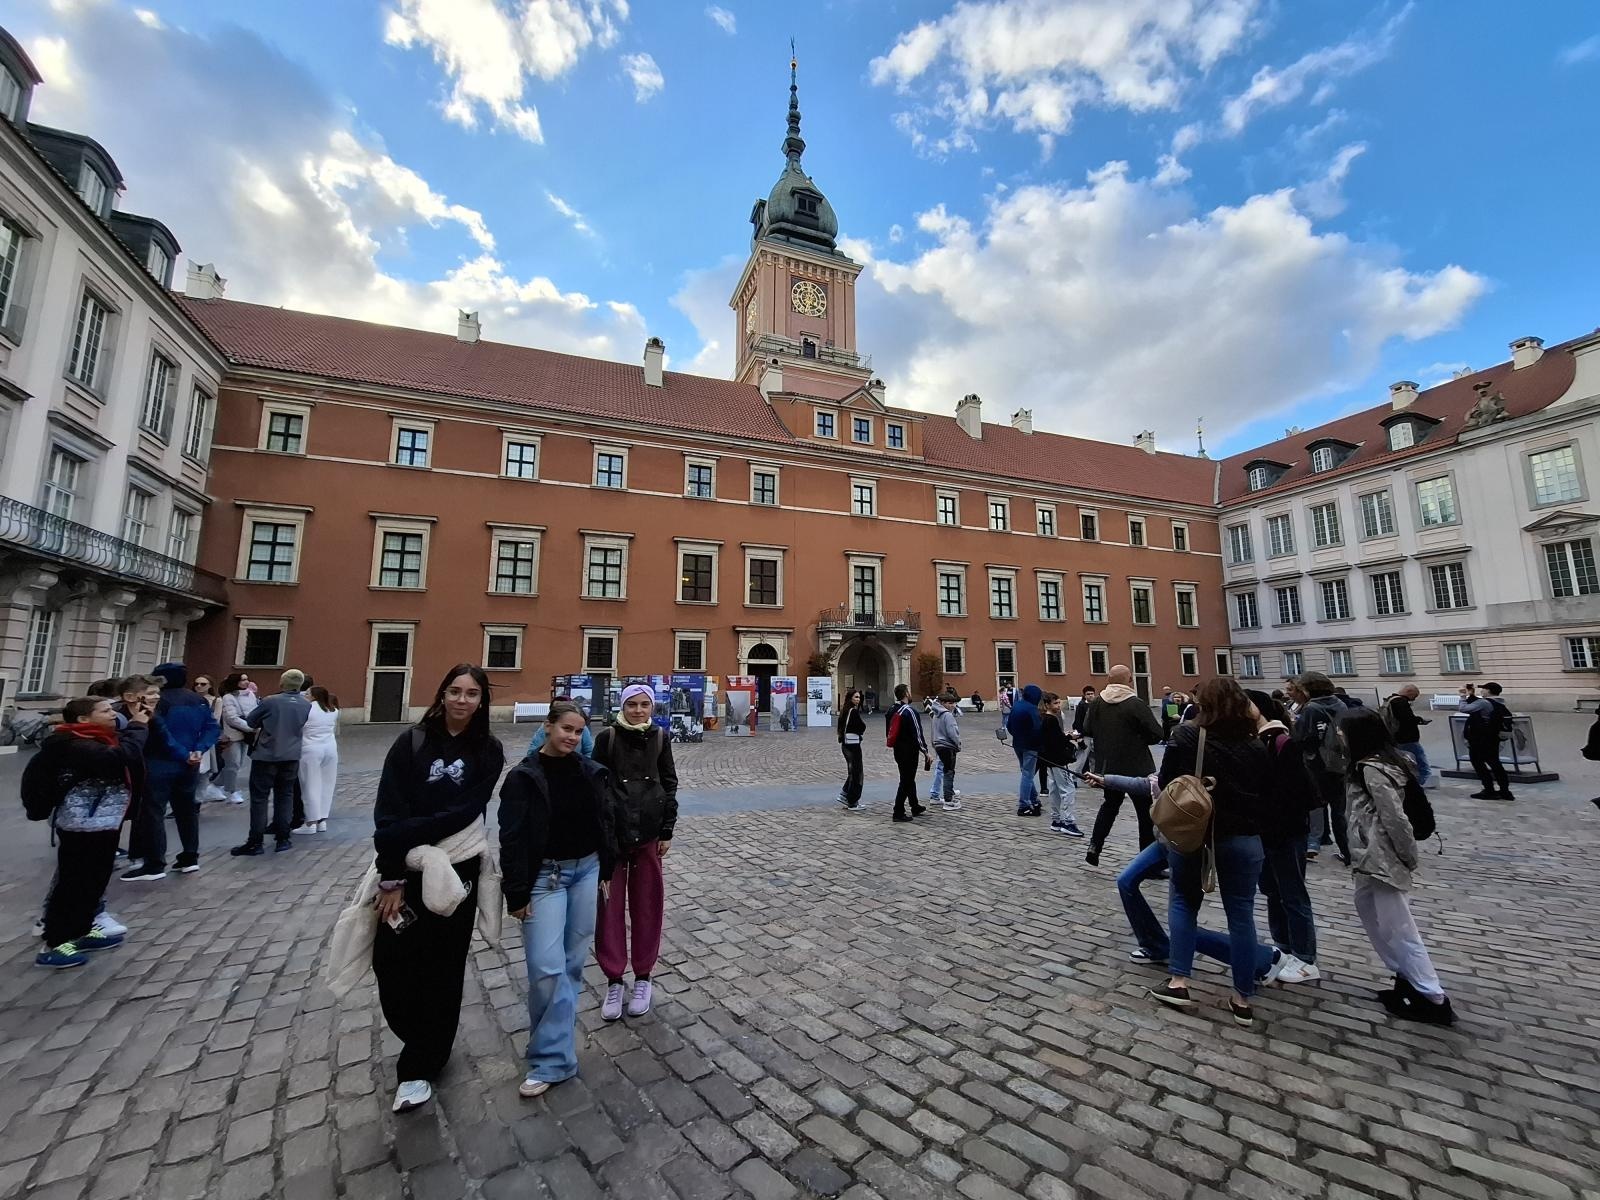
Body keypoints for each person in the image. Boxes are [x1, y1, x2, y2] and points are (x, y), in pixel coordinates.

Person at [373, 664, 506, 1112]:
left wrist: (405, 833)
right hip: (405, 869)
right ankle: (419, 1037)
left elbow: (464, 812)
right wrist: (392, 869)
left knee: (443, 966)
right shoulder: (410, 743)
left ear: (482, 700)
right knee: (390, 963)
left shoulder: (489, 750)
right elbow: (387, 807)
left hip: (459, 869)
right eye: (455, 691)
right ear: (442, 693)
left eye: (471, 693)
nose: (462, 700)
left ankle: (421, 1063)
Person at [499, 701, 616, 1098]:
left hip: (586, 872)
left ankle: (552, 1051)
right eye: (565, 728)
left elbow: (605, 822)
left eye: (578, 731)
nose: (572, 736)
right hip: (544, 879)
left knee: (571, 964)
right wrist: (515, 892)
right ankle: (552, 1058)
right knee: (546, 969)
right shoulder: (523, 778)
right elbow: (511, 837)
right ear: (548, 728)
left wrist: (607, 870)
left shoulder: (592, 772)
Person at [1149, 677, 1273, 1028]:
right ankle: (1242, 999)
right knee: (1242, 914)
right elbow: (1268, 793)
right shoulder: (1257, 744)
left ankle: (1179, 982)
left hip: (1197, 833)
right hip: (1245, 837)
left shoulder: (1188, 736)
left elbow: (1168, 780)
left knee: (1184, 902)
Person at [1089, 770, 1283, 985]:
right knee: (1127, 880)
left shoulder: (1200, 747)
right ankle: (1156, 946)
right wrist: (1107, 780)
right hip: (1168, 839)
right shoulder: (1185, 742)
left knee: (1184, 920)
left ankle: (1263, 958)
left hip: (1193, 843)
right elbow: (1152, 783)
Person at [1340, 708, 1455, 1025]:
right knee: (1370, 912)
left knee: (1399, 927)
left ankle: (1432, 996)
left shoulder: (1373, 769)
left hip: (1381, 856)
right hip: (1367, 856)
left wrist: (1406, 856)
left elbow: (1394, 818)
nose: (1338, 735)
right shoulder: (1379, 762)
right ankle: (1405, 977)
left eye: (1343, 731)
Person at [24, 696, 151, 967]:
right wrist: (138, 727)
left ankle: (80, 930)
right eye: (105, 711)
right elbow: (120, 758)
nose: (112, 715)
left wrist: (143, 719)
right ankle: (55, 943)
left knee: (94, 881)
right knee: (74, 883)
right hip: (81, 823)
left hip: (104, 821)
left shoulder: (101, 738)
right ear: (83, 719)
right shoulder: (72, 743)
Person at [592, 684, 678, 1021]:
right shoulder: (606, 739)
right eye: (632, 704)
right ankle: (614, 979)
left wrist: (667, 830)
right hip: (613, 836)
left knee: (647, 906)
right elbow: (595, 785)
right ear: (622, 706)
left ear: (652, 708)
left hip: (648, 833)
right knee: (609, 911)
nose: (638, 710)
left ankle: (643, 976)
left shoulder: (660, 738)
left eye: (644, 705)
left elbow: (669, 783)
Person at [1246, 689, 1321, 984]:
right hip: (1264, 831)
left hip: (1285, 831)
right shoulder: (1257, 740)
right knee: (1272, 891)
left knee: (1292, 894)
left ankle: (1305, 957)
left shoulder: (1280, 740)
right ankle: (1284, 947)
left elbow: (1295, 793)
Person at [122, 663, 219, 882]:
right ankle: (190, 856)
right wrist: (198, 750)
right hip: (190, 763)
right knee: (187, 811)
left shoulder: (157, 701)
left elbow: (161, 733)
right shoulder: (198, 700)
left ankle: (154, 863)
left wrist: (182, 753)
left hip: (159, 761)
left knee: (153, 812)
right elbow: (212, 727)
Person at [1082, 667, 1162, 866]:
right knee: (1145, 814)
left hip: (1108, 765)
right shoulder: (1135, 704)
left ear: (1109, 680)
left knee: (1109, 806)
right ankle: (1147, 862)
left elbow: (1087, 729)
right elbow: (1157, 734)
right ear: (1129, 680)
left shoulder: (1098, 702)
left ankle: (1095, 846)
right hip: (1137, 766)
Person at [233, 669, 311, 856]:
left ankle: (255, 841)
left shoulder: (271, 701)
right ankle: (283, 838)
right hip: (291, 755)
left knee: (260, 798)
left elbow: (251, 722)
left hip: (267, 754)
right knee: (285, 796)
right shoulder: (305, 704)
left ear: (282, 683)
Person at [1293, 672, 1350, 864]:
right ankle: (1345, 848)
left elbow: (1301, 739)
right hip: (1339, 762)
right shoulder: (1340, 704)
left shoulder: (1311, 708)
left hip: (1316, 763)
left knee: (1315, 804)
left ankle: (1314, 842)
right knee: (1339, 809)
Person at [1038, 692, 1083, 836]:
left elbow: (1053, 738)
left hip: (1049, 759)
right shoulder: (1050, 719)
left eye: (1059, 702)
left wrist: (1064, 736)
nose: (1058, 705)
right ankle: (1067, 822)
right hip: (1057, 759)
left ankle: (1056, 820)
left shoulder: (1044, 718)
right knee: (1068, 789)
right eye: (1055, 703)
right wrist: (1070, 737)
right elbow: (1056, 742)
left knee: (1055, 790)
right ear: (1047, 705)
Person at [886, 683, 931, 823]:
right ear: (906, 693)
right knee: (906, 780)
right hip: (909, 751)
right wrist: (925, 751)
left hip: (898, 750)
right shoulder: (909, 711)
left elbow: (889, 731)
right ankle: (898, 811)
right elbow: (917, 734)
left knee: (907, 778)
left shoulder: (892, 710)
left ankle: (914, 805)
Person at [1458, 683, 1511, 800]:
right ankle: (1505, 791)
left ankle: (1489, 790)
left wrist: (1462, 696)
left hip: (1480, 738)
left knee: (1477, 762)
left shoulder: (1483, 702)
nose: (1482, 691)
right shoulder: (1499, 702)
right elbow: (1478, 705)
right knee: (1495, 763)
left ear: (1488, 691)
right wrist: (1471, 695)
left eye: (1483, 689)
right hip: (1493, 737)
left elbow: (1464, 708)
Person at [298, 686, 341, 834]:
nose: (305, 695)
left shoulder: (307, 709)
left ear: (314, 696)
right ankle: (322, 820)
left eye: (308, 694)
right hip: (330, 748)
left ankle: (310, 822)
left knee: (310, 785)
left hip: (310, 748)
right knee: (327, 784)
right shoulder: (333, 710)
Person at [1004, 684, 1045, 817]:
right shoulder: (1032, 709)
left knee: (1026, 772)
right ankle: (1024, 805)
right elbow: (1037, 729)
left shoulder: (1017, 705)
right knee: (1028, 774)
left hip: (1018, 743)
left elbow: (1009, 726)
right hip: (1031, 745)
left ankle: (1034, 799)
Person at [216, 673, 257, 805]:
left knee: (237, 763)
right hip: (232, 734)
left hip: (246, 734)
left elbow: (255, 711)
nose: (246, 682)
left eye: (246, 679)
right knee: (233, 763)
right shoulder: (228, 697)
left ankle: (216, 785)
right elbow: (231, 718)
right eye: (243, 680)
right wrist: (250, 727)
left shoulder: (250, 695)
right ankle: (231, 791)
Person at [1383, 685, 1434, 788]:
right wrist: (1419, 720)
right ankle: (1419, 785)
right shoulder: (1401, 702)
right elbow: (1407, 719)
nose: (1414, 699)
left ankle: (1407, 783)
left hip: (1395, 737)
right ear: (1409, 692)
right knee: (1421, 763)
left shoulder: (1389, 700)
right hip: (1407, 738)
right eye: (1414, 696)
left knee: (1403, 762)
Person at [192, 675, 227, 802]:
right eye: (197, 684)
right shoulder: (190, 698)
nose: (199, 686)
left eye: (203, 684)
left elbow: (216, 720)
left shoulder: (216, 700)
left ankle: (197, 802)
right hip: (192, 737)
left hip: (207, 738)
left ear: (210, 685)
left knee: (204, 772)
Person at [528, 695, 594, 758]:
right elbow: (533, 749)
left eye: (578, 732)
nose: (573, 737)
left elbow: (589, 751)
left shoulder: (588, 767)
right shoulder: (528, 768)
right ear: (548, 726)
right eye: (567, 728)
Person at [930, 689, 963, 811]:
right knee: (949, 772)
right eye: (950, 703)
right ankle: (948, 800)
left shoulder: (935, 714)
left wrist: (933, 743)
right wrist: (958, 744)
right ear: (943, 703)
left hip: (938, 745)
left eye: (953, 703)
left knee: (944, 770)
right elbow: (953, 732)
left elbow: (933, 731)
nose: (953, 705)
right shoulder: (947, 715)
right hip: (948, 746)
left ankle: (944, 795)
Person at [836, 689, 867, 811]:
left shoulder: (845, 711)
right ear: (850, 698)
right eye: (856, 697)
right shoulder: (853, 711)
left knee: (852, 771)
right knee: (857, 772)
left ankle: (845, 795)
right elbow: (861, 726)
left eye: (859, 697)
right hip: (853, 745)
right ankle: (853, 801)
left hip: (845, 744)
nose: (858, 699)